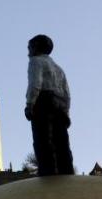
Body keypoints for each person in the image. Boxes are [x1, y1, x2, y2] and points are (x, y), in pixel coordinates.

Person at [25, 34, 74, 176]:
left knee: (43, 140)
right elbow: (67, 94)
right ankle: (66, 172)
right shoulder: (59, 69)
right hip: (60, 105)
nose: (28, 52)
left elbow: (35, 84)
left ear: (35, 48)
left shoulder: (35, 62)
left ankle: (48, 173)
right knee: (62, 143)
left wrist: (30, 104)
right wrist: (66, 112)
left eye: (29, 47)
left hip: (43, 103)